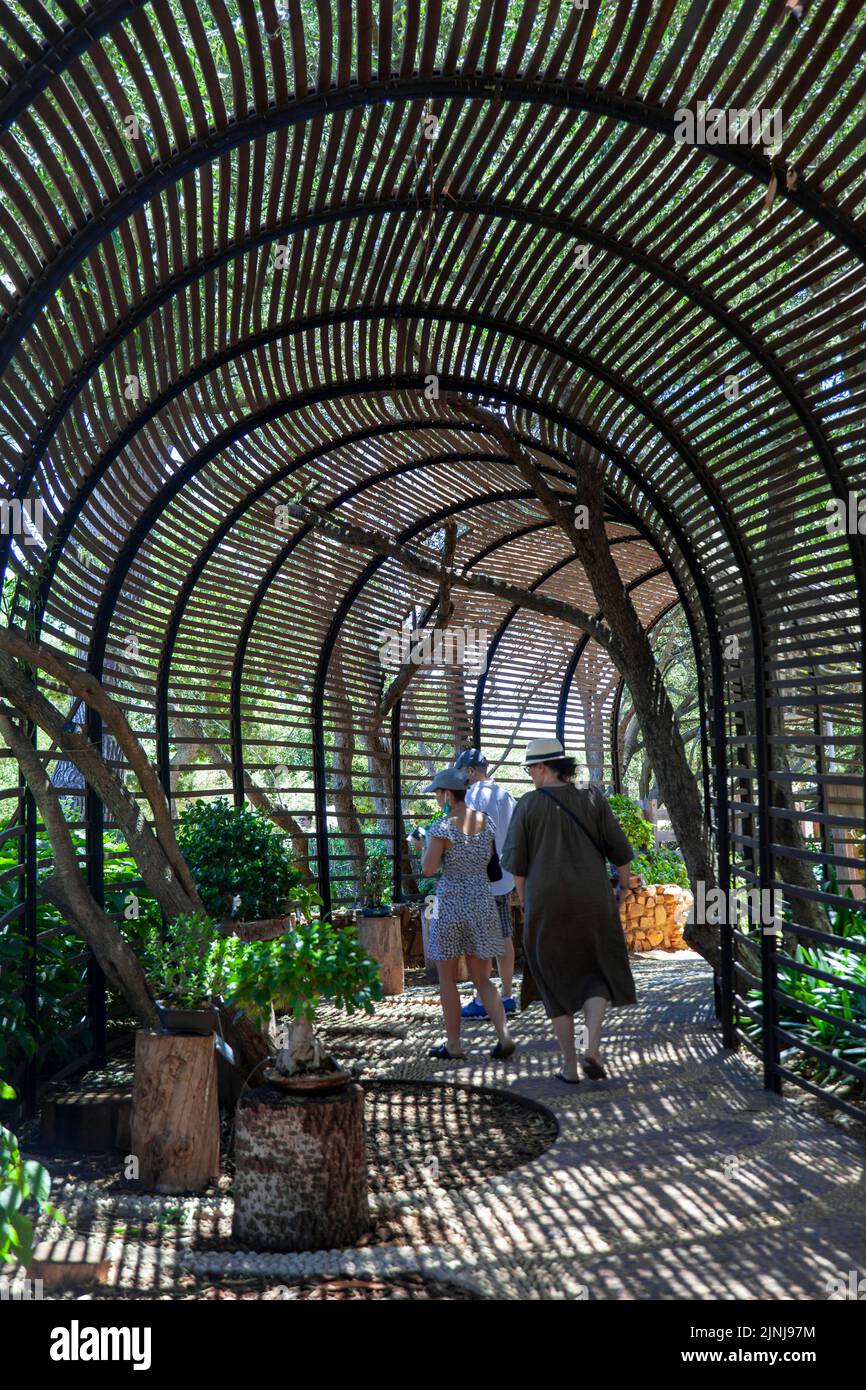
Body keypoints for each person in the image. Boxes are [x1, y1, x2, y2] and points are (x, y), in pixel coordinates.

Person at [500, 738, 636, 1084]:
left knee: (553, 979)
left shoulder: (529, 805)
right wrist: (621, 888)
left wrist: (526, 903)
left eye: (531, 767)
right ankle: (591, 1044)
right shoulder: (592, 798)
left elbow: (518, 866)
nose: (530, 774)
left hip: (547, 904)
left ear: (543, 767)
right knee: (598, 971)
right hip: (594, 899)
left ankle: (571, 1067)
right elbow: (620, 852)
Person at [416, 768, 516, 1062]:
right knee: (482, 979)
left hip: (450, 904)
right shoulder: (486, 823)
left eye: (436, 794)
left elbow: (429, 869)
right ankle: (504, 1036)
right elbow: (488, 863)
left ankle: (455, 1045)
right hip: (482, 901)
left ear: (447, 794)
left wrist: (423, 847)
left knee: (447, 980)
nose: (436, 799)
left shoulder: (441, 828)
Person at [453, 747, 517, 1018]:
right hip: (504, 877)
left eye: (462, 772)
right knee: (503, 937)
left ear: (470, 771)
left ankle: (482, 1000)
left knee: (481, 942)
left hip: (479, 878)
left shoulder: (472, 796)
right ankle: (506, 995)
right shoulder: (506, 796)